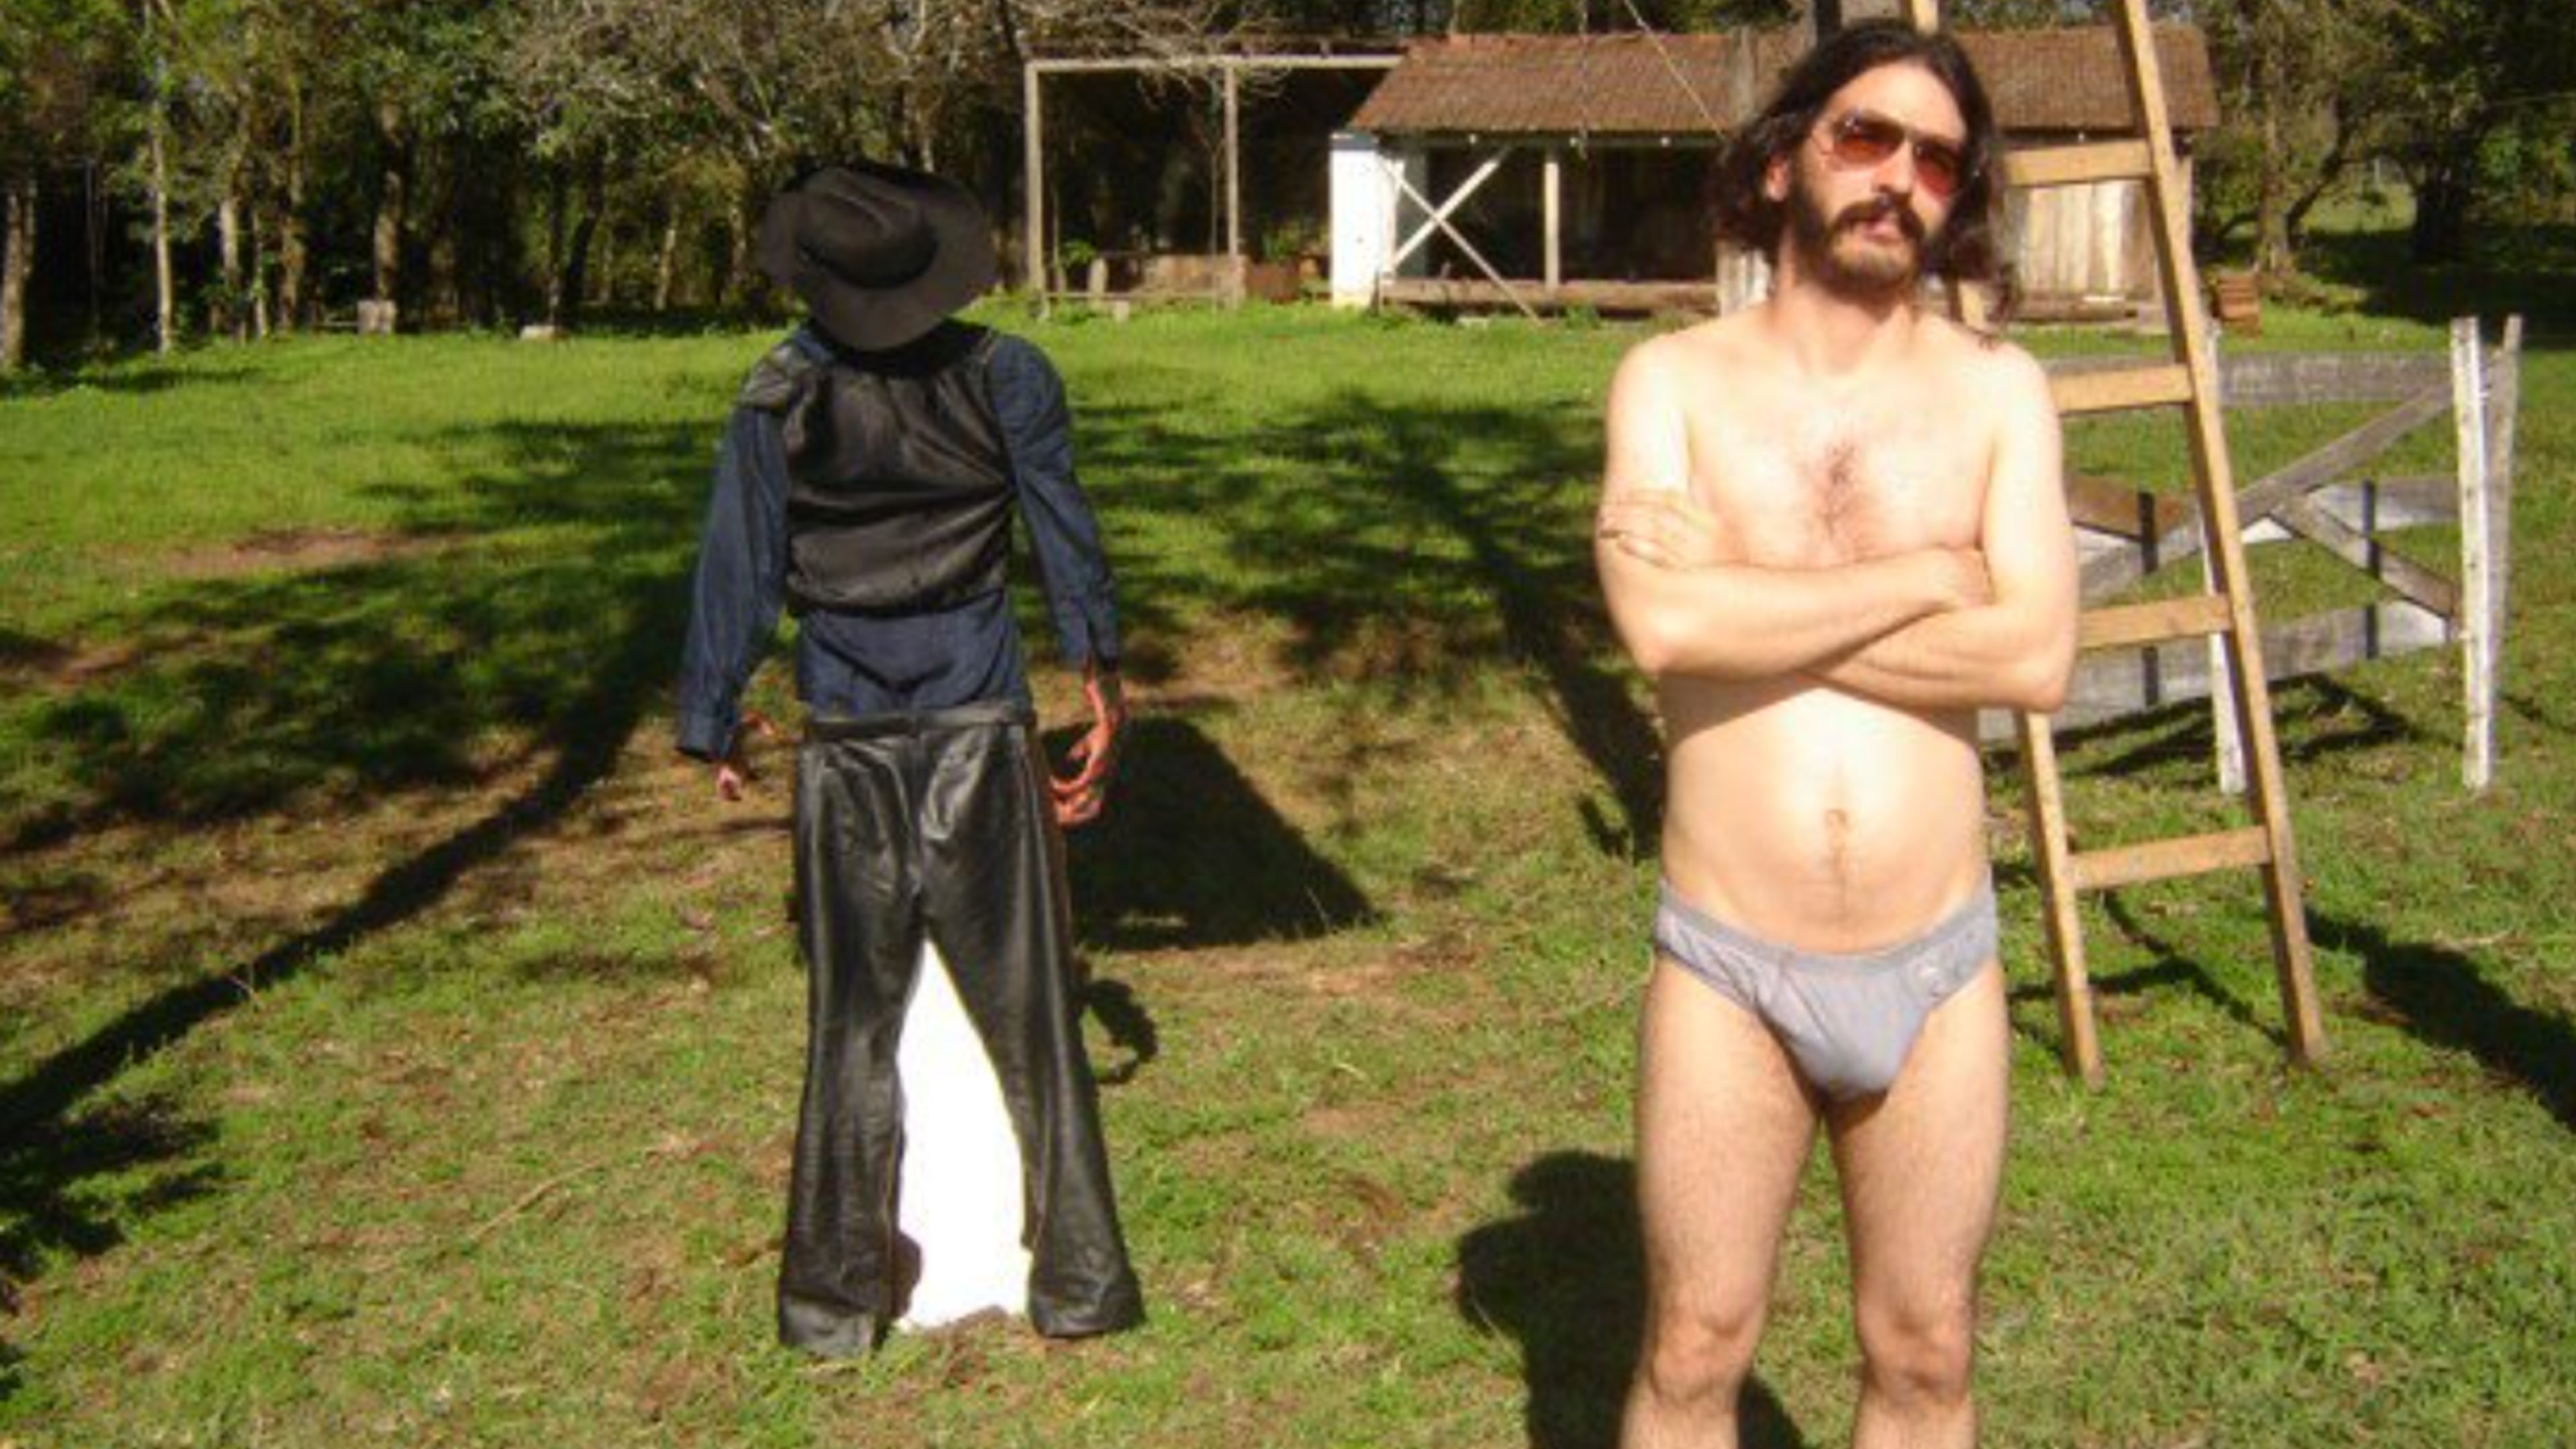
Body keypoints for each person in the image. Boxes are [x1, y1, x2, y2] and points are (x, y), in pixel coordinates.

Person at [1593, 22, 2077, 1448]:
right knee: (1694, 1348)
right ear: (1783, 158)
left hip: (1937, 967)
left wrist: (1746, 589)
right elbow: (1664, 631)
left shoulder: (1998, 391)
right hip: (1728, 967)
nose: (1898, 179)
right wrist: (1930, 576)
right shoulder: (1671, 382)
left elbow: (2034, 658)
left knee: (1925, 1353)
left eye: (1936, 159)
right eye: (1866, 136)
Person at [674, 160, 1144, 1356]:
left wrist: (714, 716)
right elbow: (1064, 529)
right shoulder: (1006, 376)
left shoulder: (776, 394)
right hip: (978, 719)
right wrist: (1101, 676)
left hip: (848, 735)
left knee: (851, 1026)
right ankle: (1081, 1282)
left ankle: (830, 1310)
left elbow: (739, 566)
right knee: (1036, 1014)